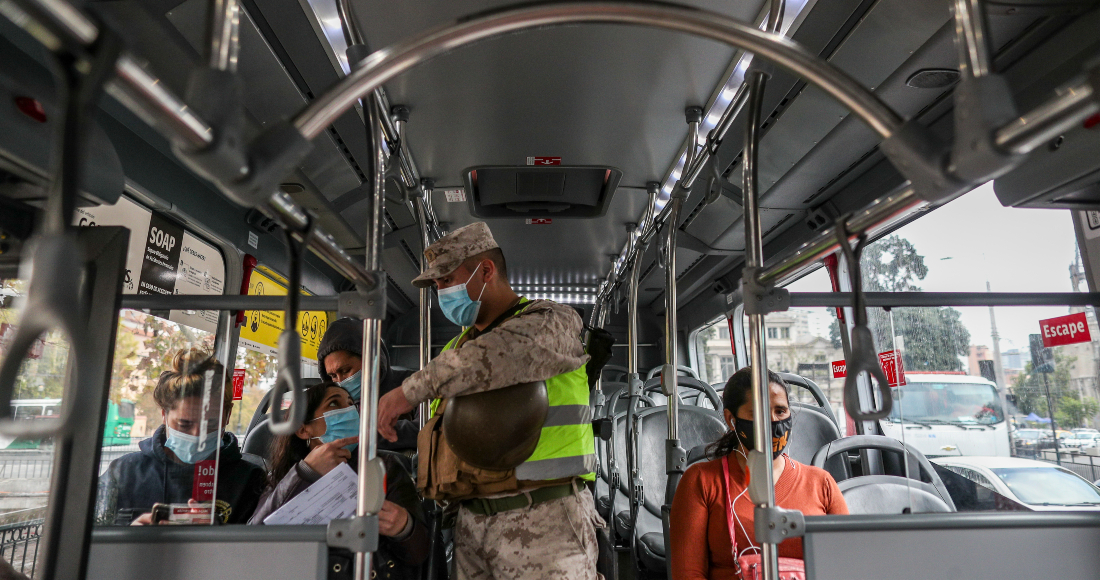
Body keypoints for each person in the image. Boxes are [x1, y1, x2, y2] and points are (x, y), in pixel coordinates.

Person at [376, 221, 602, 579]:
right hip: (471, 524)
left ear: (485, 271)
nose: (440, 291)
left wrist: (408, 392)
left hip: (547, 521)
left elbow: (503, 353)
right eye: (436, 284)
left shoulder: (552, 323)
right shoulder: (455, 351)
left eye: (447, 280)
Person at [669, 367, 848, 580]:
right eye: (759, 413)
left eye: (780, 411)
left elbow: (847, 563)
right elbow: (689, 574)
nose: (772, 421)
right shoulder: (702, 481)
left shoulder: (821, 483)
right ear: (731, 419)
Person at [249, 382, 430, 578]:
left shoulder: (383, 467)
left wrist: (404, 527)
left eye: (351, 404)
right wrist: (305, 473)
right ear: (303, 430)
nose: (349, 411)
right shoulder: (284, 476)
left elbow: (420, 553)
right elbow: (250, 543)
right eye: (334, 404)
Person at [97, 348, 267, 525]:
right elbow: (89, 533)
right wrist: (129, 536)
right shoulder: (125, 472)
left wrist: (218, 537)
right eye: (184, 424)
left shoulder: (250, 481)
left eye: (210, 424)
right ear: (164, 414)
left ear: (228, 415)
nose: (197, 435)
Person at [317, 317, 419, 452]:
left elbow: (426, 429)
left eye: (346, 370)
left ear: (371, 360)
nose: (341, 381)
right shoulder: (333, 403)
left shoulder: (414, 383)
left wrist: (365, 434)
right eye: (333, 376)